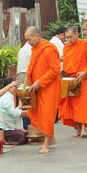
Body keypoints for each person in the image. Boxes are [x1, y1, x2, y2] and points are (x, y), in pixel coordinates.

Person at [25, 26, 61, 154]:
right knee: (38, 112)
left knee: (47, 114)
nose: (28, 42)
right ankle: (51, 138)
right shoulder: (36, 49)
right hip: (37, 87)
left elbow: (55, 70)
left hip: (49, 87)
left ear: (36, 36)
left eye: (30, 39)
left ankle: (46, 142)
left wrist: (40, 81)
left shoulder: (48, 49)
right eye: (27, 40)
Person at [59, 26, 87, 138]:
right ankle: (78, 128)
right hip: (71, 79)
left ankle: (84, 129)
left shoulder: (86, 44)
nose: (69, 39)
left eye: (71, 36)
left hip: (84, 78)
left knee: (83, 104)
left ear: (76, 34)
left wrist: (85, 72)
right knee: (73, 105)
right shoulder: (66, 47)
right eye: (67, 37)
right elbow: (66, 63)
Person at [0, 78, 28, 146]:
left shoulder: (11, 96)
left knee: (25, 134)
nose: (16, 88)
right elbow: (16, 113)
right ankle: (5, 140)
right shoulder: (6, 98)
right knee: (22, 136)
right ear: (9, 87)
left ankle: (8, 139)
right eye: (15, 87)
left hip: (7, 127)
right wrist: (32, 112)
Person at [16, 41, 32, 131]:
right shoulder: (31, 51)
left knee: (24, 104)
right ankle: (29, 128)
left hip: (20, 79)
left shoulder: (22, 50)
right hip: (28, 81)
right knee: (29, 105)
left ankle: (26, 128)